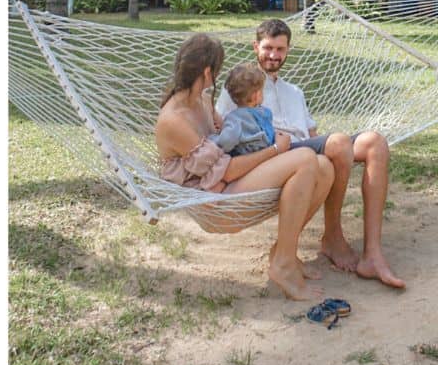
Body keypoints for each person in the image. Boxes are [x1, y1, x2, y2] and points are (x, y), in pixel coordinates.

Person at [217, 18, 403, 288]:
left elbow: (313, 136)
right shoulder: (238, 87)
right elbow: (225, 132)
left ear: (288, 49)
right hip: (278, 154)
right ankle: (333, 237)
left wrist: (328, 156)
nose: (274, 55)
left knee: (375, 142)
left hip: (306, 147)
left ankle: (372, 254)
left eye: (280, 49)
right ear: (256, 46)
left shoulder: (295, 92)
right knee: (339, 143)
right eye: (268, 48)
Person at [155, 32, 330, 300]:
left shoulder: (201, 98)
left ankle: (285, 252)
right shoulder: (174, 119)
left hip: (229, 183)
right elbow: (225, 170)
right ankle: (282, 265)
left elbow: (229, 135)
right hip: (214, 202)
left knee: (324, 167)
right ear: (207, 71)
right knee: (306, 158)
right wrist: (274, 150)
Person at [210, 63, 274, 157]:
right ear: (256, 96)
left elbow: (226, 142)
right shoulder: (266, 113)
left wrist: (213, 139)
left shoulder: (235, 118)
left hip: (247, 157)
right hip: (267, 152)